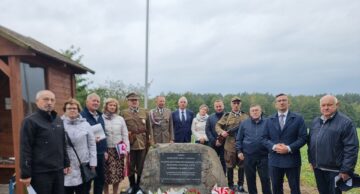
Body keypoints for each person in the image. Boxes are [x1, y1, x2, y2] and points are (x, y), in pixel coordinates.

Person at [19, 90, 71, 194]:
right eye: (46, 99)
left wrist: (66, 163)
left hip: (58, 171)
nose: (49, 102)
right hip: (40, 173)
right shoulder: (30, 121)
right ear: (37, 101)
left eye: (52, 100)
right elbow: (25, 148)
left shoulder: (58, 120)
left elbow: (62, 143)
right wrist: (25, 174)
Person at [308, 94, 359, 194]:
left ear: (337, 105)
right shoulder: (316, 122)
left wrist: (346, 170)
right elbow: (311, 143)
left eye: (329, 105)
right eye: (323, 105)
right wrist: (312, 160)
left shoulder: (345, 123)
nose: (326, 107)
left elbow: (351, 148)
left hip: (335, 171)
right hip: (318, 169)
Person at [261, 93, 307, 194]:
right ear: (275, 104)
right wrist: (274, 146)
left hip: (292, 160)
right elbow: (264, 138)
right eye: (279, 101)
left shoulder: (298, 118)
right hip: (275, 160)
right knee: (276, 188)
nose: (281, 102)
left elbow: (303, 138)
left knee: (295, 188)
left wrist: (289, 148)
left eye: (284, 100)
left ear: (288, 103)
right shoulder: (269, 120)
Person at [62, 98, 97, 194]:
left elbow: (92, 144)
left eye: (74, 108)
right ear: (65, 110)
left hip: (83, 166)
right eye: (69, 108)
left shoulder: (86, 125)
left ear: (78, 110)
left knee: (83, 191)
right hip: (66, 167)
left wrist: (93, 163)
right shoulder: (59, 125)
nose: (72, 110)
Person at [236, 104, 272, 194]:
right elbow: (239, 138)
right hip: (248, 156)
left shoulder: (268, 122)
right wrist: (239, 151)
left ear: (261, 111)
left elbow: (272, 138)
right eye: (253, 110)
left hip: (264, 156)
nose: (255, 112)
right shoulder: (244, 123)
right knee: (250, 179)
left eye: (257, 110)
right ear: (250, 113)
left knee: (265, 179)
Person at [215, 97, 248, 192]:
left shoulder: (246, 116)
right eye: (234, 103)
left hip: (242, 145)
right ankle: (230, 185)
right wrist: (222, 132)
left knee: (242, 166)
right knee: (230, 166)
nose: (236, 105)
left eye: (238, 103)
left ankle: (240, 185)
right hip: (230, 145)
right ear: (231, 104)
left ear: (240, 104)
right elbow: (217, 125)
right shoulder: (227, 116)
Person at [121, 92, 150, 194]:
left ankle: (139, 187)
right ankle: (132, 186)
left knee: (141, 166)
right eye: (132, 100)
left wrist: (149, 142)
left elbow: (148, 128)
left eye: (136, 100)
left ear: (138, 101)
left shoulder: (145, 112)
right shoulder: (123, 113)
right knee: (131, 166)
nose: (134, 102)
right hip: (130, 143)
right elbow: (121, 129)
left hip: (142, 143)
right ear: (128, 102)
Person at [80, 93, 108, 194]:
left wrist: (105, 150)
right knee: (87, 181)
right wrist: (91, 140)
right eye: (93, 100)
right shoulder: (81, 116)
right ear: (87, 102)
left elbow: (103, 134)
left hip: (100, 153)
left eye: (98, 101)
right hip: (87, 154)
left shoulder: (100, 116)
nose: (96, 103)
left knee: (100, 179)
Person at [102, 98, 130, 194]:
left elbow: (125, 134)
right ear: (106, 106)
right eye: (110, 105)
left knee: (117, 175)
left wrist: (127, 149)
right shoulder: (100, 118)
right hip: (106, 150)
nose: (112, 107)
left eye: (114, 105)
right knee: (106, 175)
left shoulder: (120, 119)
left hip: (118, 150)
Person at [205, 99, 226, 174]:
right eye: (217, 106)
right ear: (214, 107)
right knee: (213, 161)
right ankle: (213, 179)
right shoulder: (210, 118)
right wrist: (214, 141)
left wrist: (221, 140)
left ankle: (223, 179)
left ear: (223, 106)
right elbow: (207, 131)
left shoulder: (227, 117)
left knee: (224, 161)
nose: (218, 108)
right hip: (213, 144)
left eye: (220, 106)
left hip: (225, 144)